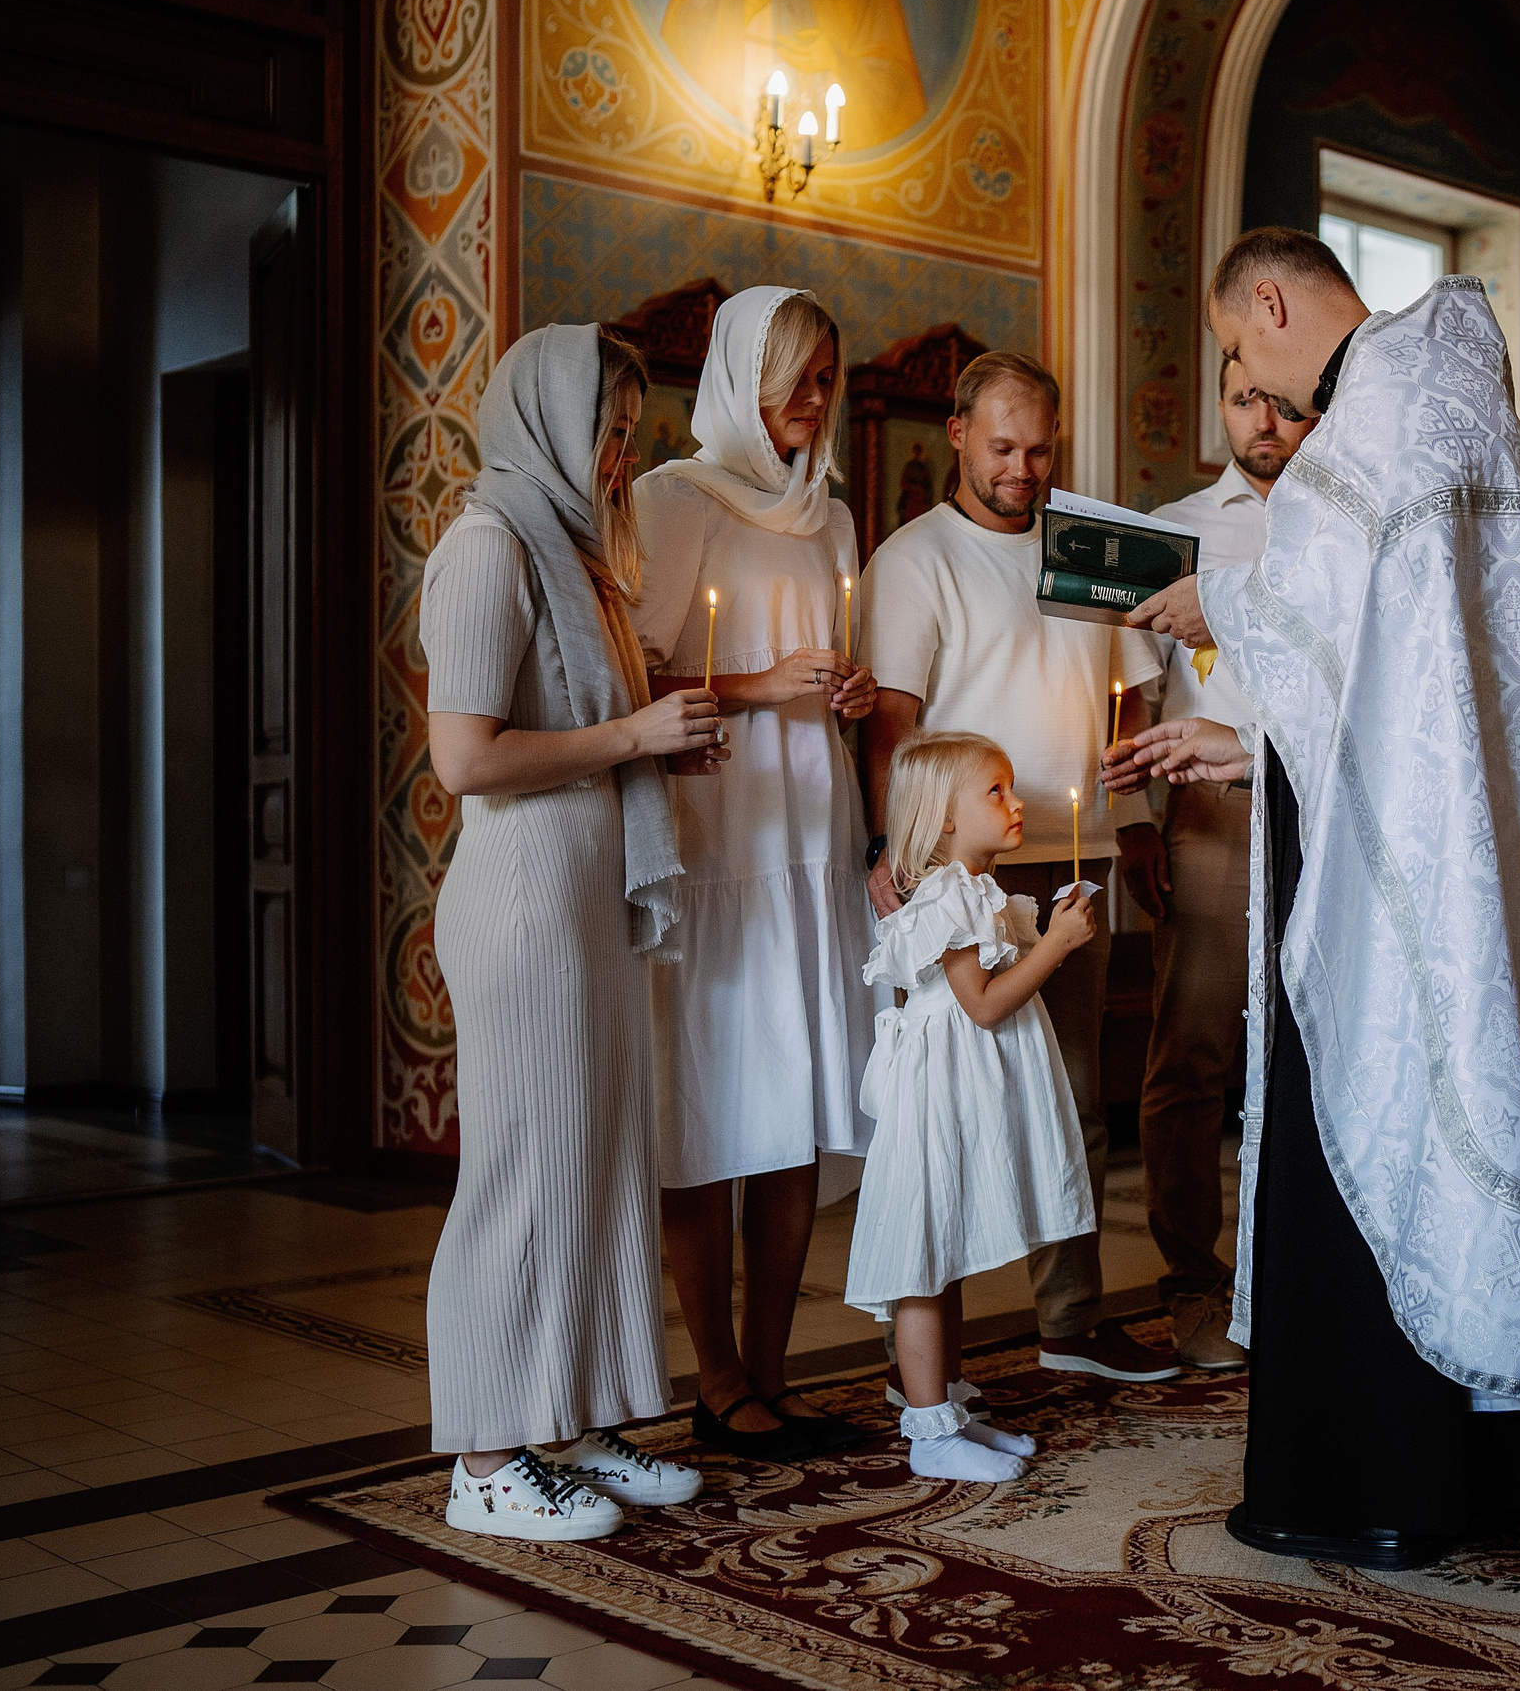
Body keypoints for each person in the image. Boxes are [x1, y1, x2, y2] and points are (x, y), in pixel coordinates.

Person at [1114, 228, 1520, 1571]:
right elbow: (1401, 675)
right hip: (1433, 835)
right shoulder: (1452, 386)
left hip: (1386, 881)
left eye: (1238, 349)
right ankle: (1505, 1455)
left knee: (1368, 1105)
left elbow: (1328, 625)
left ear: (1270, 301)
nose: (1254, 383)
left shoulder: (1372, 416)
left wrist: (1216, 600)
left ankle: (1373, 1473)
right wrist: (1249, 744)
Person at [421, 324, 710, 1539]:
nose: (620, 456)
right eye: (608, 430)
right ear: (545, 421)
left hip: (587, 900)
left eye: (632, 433)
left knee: (595, 1164)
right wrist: (635, 737)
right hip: (522, 902)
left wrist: (658, 734)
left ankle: (572, 1416)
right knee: (522, 1173)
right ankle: (485, 1460)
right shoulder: (489, 545)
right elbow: (465, 758)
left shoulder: (580, 554)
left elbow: (586, 724)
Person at [857, 351, 1178, 1385]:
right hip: (964, 873)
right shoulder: (915, 558)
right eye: (1001, 447)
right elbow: (893, 724)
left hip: (1076, 854)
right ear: (956, 433)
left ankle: (1071, 1325)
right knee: (948, 1106)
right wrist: (895, 849)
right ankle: (923, 1360)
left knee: (1074, 1098)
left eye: (1040, 449)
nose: (1022, 469)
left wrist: (1135, 816)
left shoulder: (1086, 546)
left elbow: (1130, 696)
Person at [631, 286, 879, 1459]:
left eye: (828, 377)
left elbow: (835, 661)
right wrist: (754, 685)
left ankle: (771, 1374)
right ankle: (716, 1376)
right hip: (715, 831)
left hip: (812, 828)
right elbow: (626, 681)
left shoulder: (832, 516)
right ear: (742, 374)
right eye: (797, 377)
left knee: (794, 1108)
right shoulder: (674, 500)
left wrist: (846, 690)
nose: (815, 399)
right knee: (708, 1106)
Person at [1120, 357, 1317, 1372]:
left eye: (1285, 402)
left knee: (1317, 1055)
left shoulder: (1344, 527)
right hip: (1211, 816)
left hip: (1327, 809)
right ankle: (1192, 1282)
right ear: (1220, 408)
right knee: (1192, 1057)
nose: (1266, 421)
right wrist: (1134, 823)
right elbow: (1129, 687)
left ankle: (1298, 1276)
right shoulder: (1176, 531)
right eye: (1245, 400)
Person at [847, 732, 1098, 1482]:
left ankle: (948, 1410)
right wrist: (1055, 946)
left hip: (962, 1088)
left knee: (945, 1253)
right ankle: (929, 1432)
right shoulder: (948, 895)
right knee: (925, 1258)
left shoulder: (981, 889)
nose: (1017, 802)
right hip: (937, 1093)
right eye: (997, 791)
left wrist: (1049, 936)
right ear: (946, 819)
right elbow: (983, 1005)